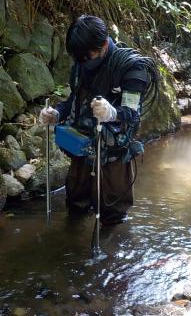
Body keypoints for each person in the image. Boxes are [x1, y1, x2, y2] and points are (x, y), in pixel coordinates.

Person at [39, 15, 158, 225]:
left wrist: (112, 113)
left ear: (104, 44)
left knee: (112, 213)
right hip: (82, 145)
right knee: (76, 202)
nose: (83, 61)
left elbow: (132, 114)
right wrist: (56, 114)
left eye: (87, 56)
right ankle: (71, 244)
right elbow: (73, 100)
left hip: (114, 151)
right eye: (79, 58)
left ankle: (112, 254)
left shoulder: (131, 68)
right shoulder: (81, 62)